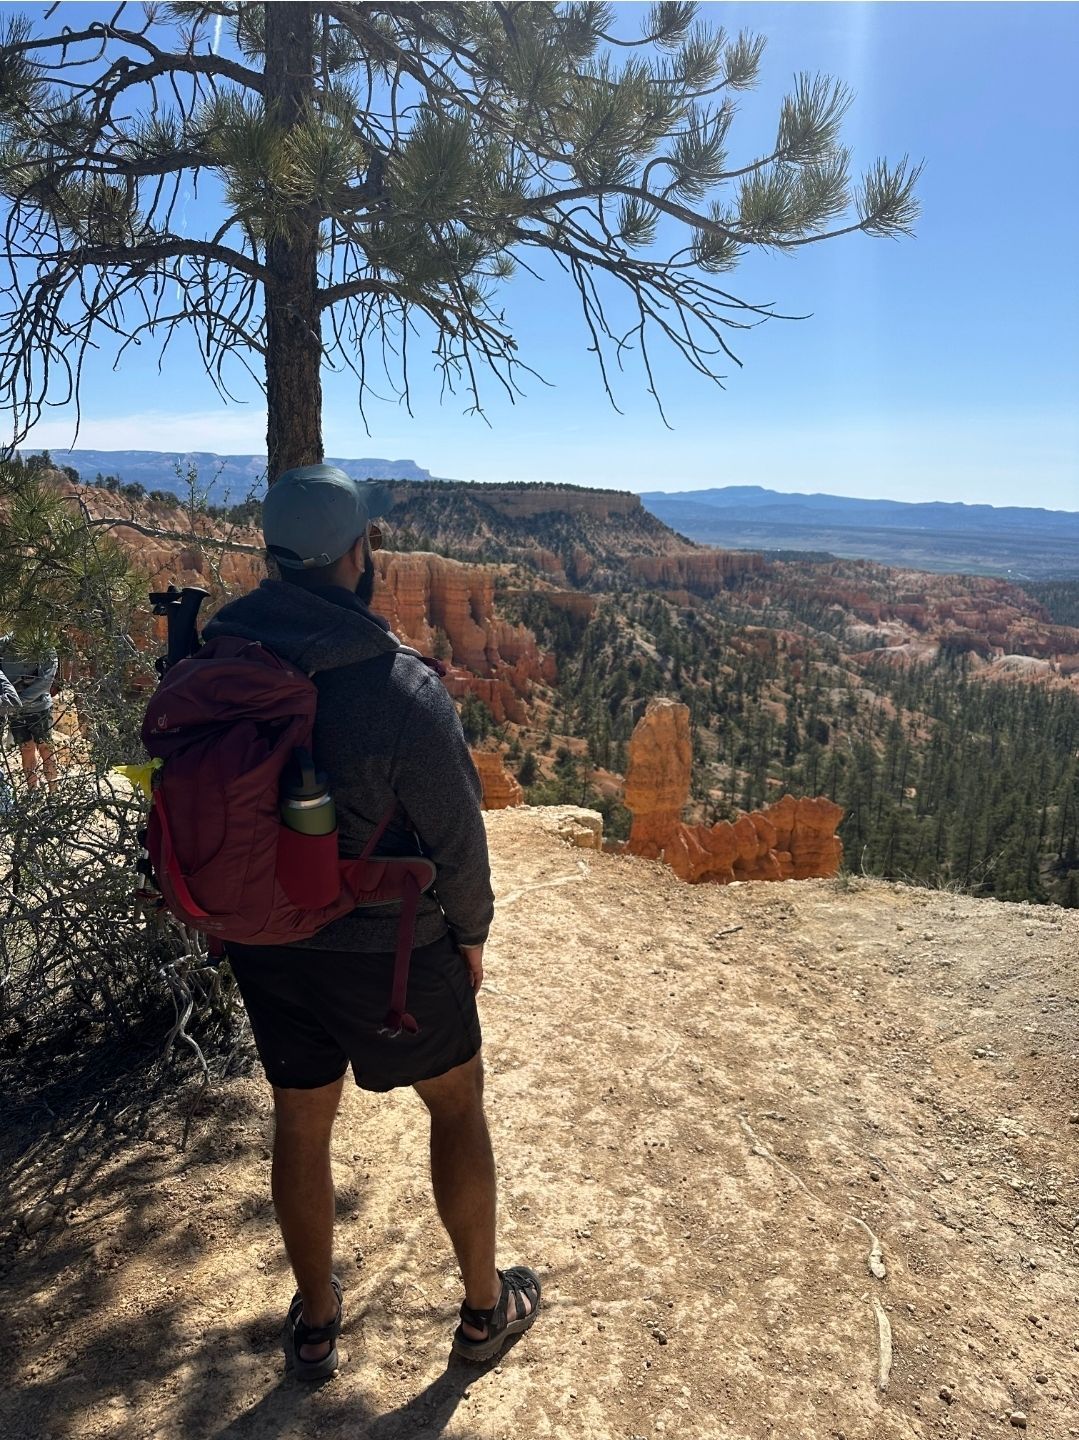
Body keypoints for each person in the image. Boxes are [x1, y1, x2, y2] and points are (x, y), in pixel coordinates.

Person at [203, 464, 540, 1379]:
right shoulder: (397, 686)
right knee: (455, 1103)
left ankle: (315, 1321)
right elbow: (456, 839)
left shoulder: (216, 658)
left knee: (301, 1124)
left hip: (268, 943)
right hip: (389, 953)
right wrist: (470, 935)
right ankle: (482, 1309)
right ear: (358, 553)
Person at [0, 637, 59, 793]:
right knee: (26, 748)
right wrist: (13, 703)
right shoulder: (4, 646)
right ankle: (33, 792)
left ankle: (54, 791)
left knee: (45, 748)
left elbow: (46, 682)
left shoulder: (44, 646)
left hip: (39, 707)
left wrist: (18, 701)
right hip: (15, 711)